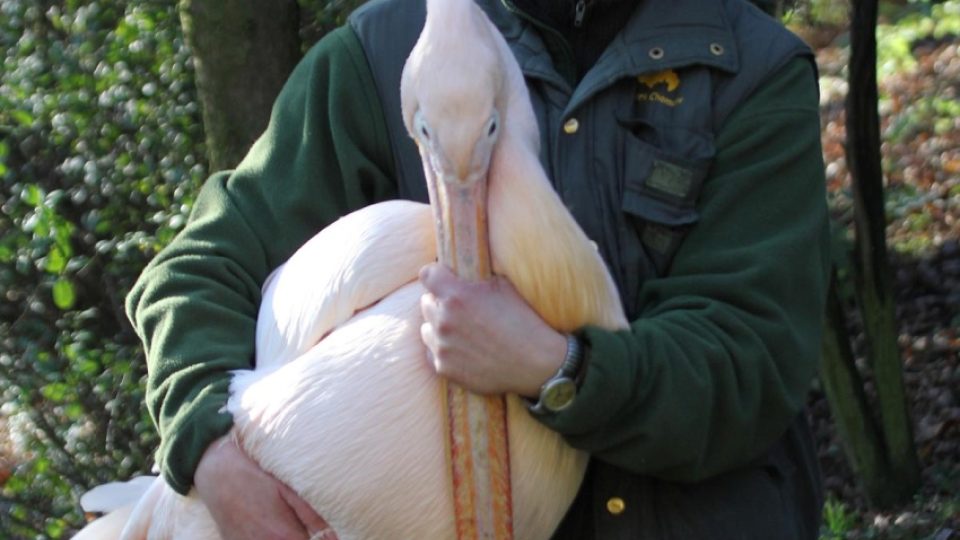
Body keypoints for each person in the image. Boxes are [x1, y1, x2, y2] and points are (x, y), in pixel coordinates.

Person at [125, 0, 831, 537]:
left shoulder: (749, 68)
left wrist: (556, 367)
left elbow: (750, 359)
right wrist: (208, 442)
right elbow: (204, 266)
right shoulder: (383, 52)